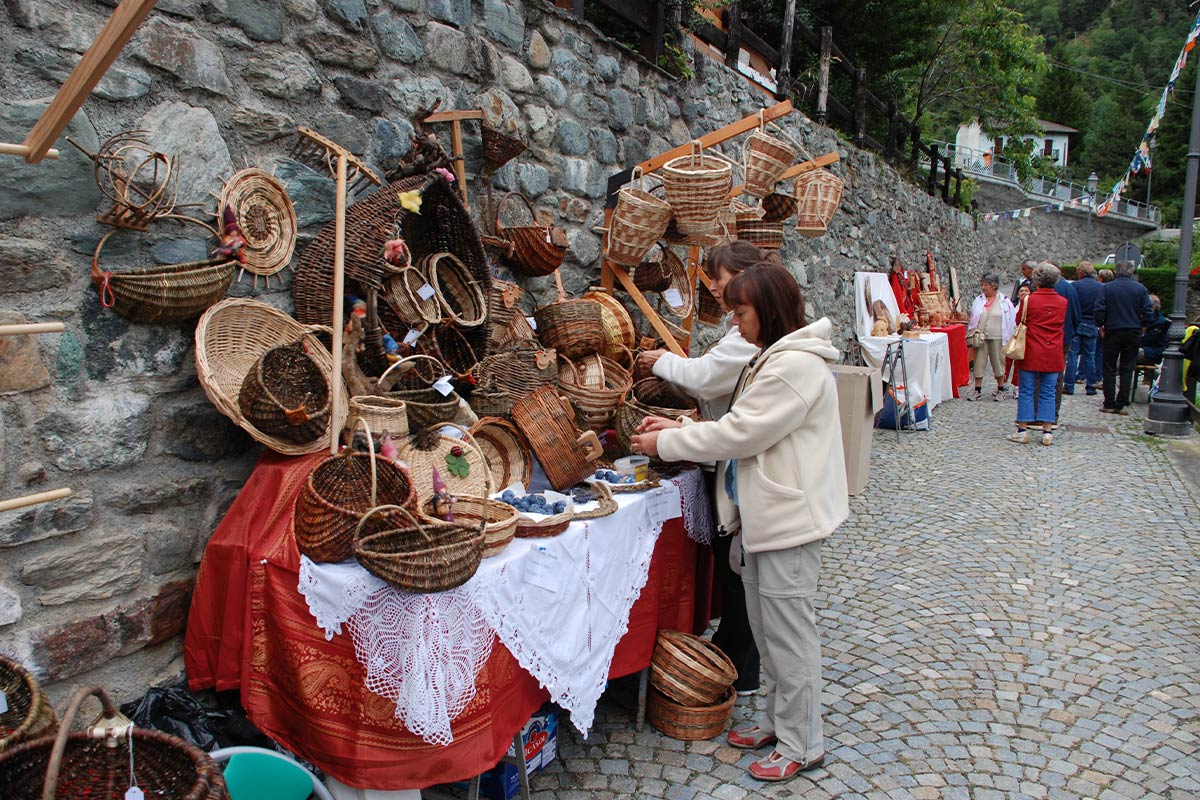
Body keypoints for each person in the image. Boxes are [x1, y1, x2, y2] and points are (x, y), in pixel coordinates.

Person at [632, 262, 848, 783]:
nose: (736, 322)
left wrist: (667, 441)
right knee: (770, 632)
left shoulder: (794, 366)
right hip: (764, 516)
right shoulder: (773, 359)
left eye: (742, 311)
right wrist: (683, 424)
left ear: (768, 310)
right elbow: (737, 424)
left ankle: (803, 742)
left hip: (788, 521)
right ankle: (779, 722)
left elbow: (741, 435)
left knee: (789, 635)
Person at [638, 240, 762, 695]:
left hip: (744, 477)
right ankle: (735, 659)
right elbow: (727, 414)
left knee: (740, 575)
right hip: (732, 466)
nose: (714, 288)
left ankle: (740, 666)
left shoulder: (775, 355)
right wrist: (684, 422)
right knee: (736, 572)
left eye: (721, 277)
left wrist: (669, 438)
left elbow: (718, 397)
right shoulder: (752, 339)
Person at [1007, 262, 1067, 445]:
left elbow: (1019, 320)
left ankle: (1022, 429)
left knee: (1026, 390)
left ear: (1036, 280)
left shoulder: (1028, 301)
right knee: (1048, 391)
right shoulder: (1062, 302)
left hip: (1031, 350)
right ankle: (1047, 431)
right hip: (1053, 351)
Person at [1094, 260, 1153, 415]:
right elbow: (1148, 311)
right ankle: (1122, 404)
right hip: (1133, 330)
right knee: (1127, 367)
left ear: (1115, 271)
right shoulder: (1140, 289)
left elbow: (1099, 309)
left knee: (1109, 367)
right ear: (1131, 272)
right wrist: (1143, 326)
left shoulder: (1107, 288)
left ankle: (1109, 402)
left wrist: (1101, 325)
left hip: (1112, 329)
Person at [963, 275, 1016, 401]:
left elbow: (1011, 319)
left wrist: (1009, 336)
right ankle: (977, 389)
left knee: (998, 362)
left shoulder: (1004, 301)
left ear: (994, 286)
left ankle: (1001, 388)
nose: (983, 287)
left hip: (998, 336)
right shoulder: (979, 300)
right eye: (983, 284)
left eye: (986, 285)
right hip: (980, 336)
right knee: (979, 362)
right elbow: (973, 318)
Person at [1066, 261, 1102, 396]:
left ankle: (1069, 385)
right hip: (1092, 324)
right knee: (1090, 357)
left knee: (1072, 356)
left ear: (1080, 272)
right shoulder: (1100, 287)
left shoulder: (1075, 286)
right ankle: (1091, 386)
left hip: (1077, 323)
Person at [1051, 262, 1081, 418]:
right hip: (1064, 337)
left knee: (1037, 376)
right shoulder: (1069, 288)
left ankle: (1037, 414)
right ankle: (1053, 414)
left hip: (1046, 339)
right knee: (1057, 376)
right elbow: (1077, 315)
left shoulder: (1040, 291)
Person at [1002, 283, 1032, 395]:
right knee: (1006, 361)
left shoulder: (1028, 306)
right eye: (1021, 291)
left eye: (1026, 291)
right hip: (1010, 335)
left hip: (1021, 337)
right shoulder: (1011, 305)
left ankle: (1017, 386)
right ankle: (1003, 383)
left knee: (1018, 362)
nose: (1023, 292)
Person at [1094, 269, 1115, 384]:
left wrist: (1100, 324)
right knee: (1100, 352)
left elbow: (1100, 308)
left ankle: (1085, 375)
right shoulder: (1113, 290)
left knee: (1092, 352)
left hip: (1101, 325)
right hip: (1108, 325)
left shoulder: (1104, 290)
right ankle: (1099, 376)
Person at [1138, 295, 1171, 365]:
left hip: (1151, 352)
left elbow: (1147, 340)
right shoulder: (1145, 319)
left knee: (1128, 353)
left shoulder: (1160, 323)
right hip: (1144, 349)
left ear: (1153, 307)